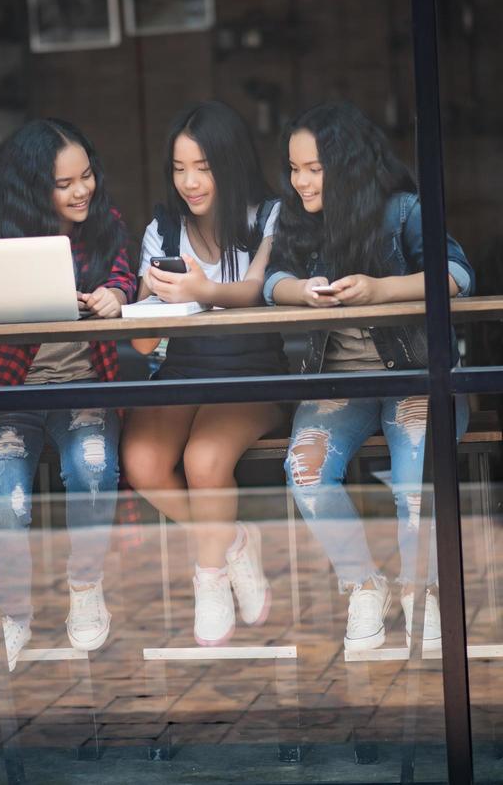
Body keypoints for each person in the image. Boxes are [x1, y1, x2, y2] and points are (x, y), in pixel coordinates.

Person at [263, 102, 474, 651]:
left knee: (416, 483)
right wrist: (301, 292)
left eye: (314, 168)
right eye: (294, 168)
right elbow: (273, 280)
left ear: (348, 165)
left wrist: (380, 290)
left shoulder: (402, 211)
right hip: (340, 385)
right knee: (306, 473)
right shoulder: (296, 218)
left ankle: (420, 590)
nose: (301, 180)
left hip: (415, 376)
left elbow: (456, 275)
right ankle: (363, 583)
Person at [0, 118, 136, 672]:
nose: (81, 191)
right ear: (33, 186)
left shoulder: (107, 227)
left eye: (87, 176)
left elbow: (126, 278)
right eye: (64, 183)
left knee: (93, 470)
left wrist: (114, 297)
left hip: (82, 391)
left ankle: (85, 587)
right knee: (7, 502)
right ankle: (13, 615)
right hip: (10, 396)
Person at [121, 101, 287, 647]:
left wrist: (201, 292)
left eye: (203, 167)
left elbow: (258, 289)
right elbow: (145, 341)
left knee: (203, 459)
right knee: (143, 461)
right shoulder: (163, 230)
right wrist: (146, 298)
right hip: (184, 368)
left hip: (252, 371)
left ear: (230, 163)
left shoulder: (269, 217)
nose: (189, 182)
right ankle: (233, 539)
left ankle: (209, 576)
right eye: (178, 167)